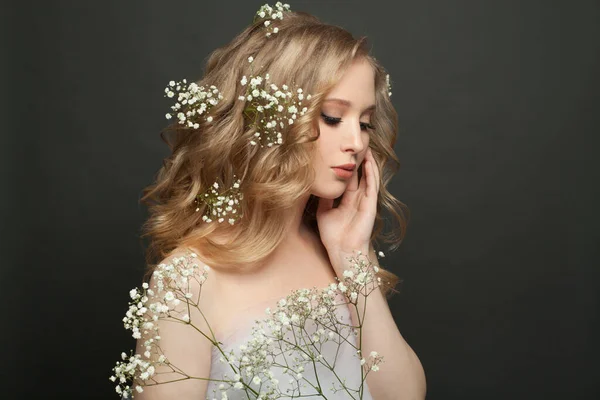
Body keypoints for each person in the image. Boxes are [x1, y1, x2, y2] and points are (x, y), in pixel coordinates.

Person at [129, 3, 426, 399]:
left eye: (365, 122)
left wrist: (353, 256)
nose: (356, 142)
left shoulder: (345, 255)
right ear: (272, 119)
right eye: (333, 117)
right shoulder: (187, 282)